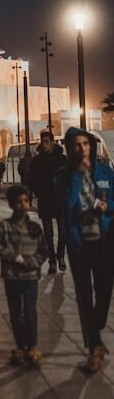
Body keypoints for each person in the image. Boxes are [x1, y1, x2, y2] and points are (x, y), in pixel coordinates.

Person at [57, 127, 114, 374]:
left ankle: (97, 324)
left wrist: (106, 206)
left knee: (103, 291)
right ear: (70, 149)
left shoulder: (104, 171)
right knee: (84, 296)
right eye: (77, 145)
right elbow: (65, 206)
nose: (83, 149)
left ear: (91, 145)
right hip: (79, 244)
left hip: (104, 241)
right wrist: (77, 176)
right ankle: (94, 347)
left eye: (86, 144)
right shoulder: (63, 176)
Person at [0, 184, 49, 366]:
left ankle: (33, 346)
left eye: (26, 201)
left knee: (30, 311)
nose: (23, 205)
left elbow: (44, 250)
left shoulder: (35, 228)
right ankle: (21, 345)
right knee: (15, 313)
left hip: (30, 277)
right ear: (11, 204)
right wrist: (12, 256)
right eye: (18, 202)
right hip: (12, 276)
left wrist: (34, 262)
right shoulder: (4, 226)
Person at [29, 129, 67, 274]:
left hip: (60, 200)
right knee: (48, 234)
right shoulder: (36, 161)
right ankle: (52, 261)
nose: (44, 145)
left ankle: (60, 255)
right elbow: (32, 180)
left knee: (63, 232)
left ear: (52, 142)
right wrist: (37, 193)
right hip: (45, 200)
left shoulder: (62, 160)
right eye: (42, 142)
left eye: (47, 142)